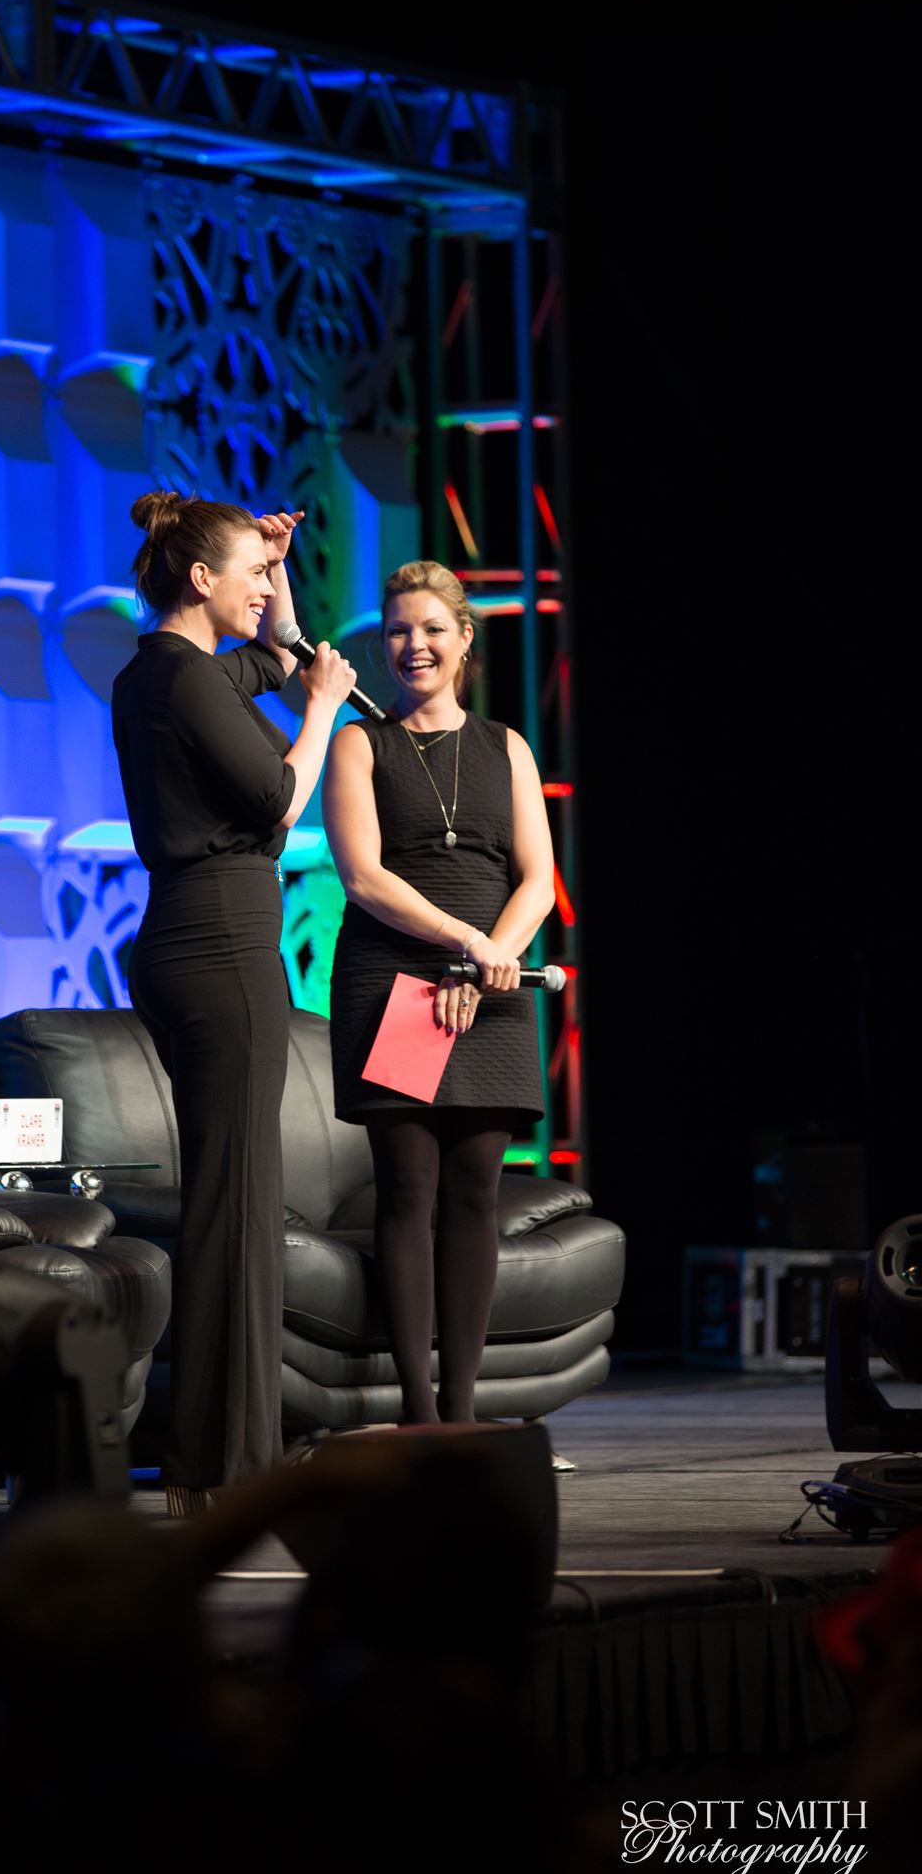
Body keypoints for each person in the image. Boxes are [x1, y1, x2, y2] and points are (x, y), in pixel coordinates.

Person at [112, 493, 356, 1515]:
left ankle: (221, 1459)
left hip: (194, 938)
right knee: (236, 1208)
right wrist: (323, 713)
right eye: (248, 570)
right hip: (217, 944)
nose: (264, 583)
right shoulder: (179, 678)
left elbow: (279, 650)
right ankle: (221, 1467)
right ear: (198, 579)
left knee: (236, 1202)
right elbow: (277, 800)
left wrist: (280, 569)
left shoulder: (168, 674)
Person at [322, 560, 555, 1426]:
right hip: (397, 978)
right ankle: (418, 1416)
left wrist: (492, 954)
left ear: (464, 640)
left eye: (429, 629)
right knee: (409, 1186)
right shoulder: (360, 742)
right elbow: (363, 878)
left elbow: (537, 877)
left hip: (491, 979)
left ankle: (461, 1417)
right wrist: (461, 945)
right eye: (395, 631)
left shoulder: (507, 747)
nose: (411, 646)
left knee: (476, 1192)